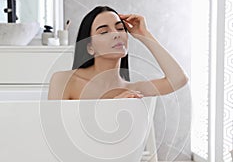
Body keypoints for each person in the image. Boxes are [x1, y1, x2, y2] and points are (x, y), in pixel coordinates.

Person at [48, 6, 188, 100]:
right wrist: (112, 107)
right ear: (90, 47)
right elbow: (57, 133)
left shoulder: (132, 90)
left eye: (120, 28)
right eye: (104, 32)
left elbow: (178, 79)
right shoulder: (65, 81)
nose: (116, 34)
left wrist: (144, 35)